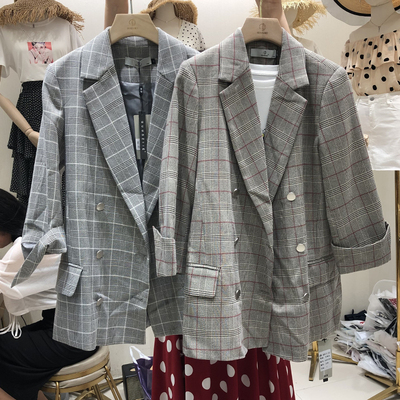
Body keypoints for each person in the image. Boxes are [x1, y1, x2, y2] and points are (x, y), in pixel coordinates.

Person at [0, 189, 97, 400]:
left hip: (72, 338)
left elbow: (5, 283)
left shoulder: (23, 249)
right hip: (82, 330)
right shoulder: (41, 232)